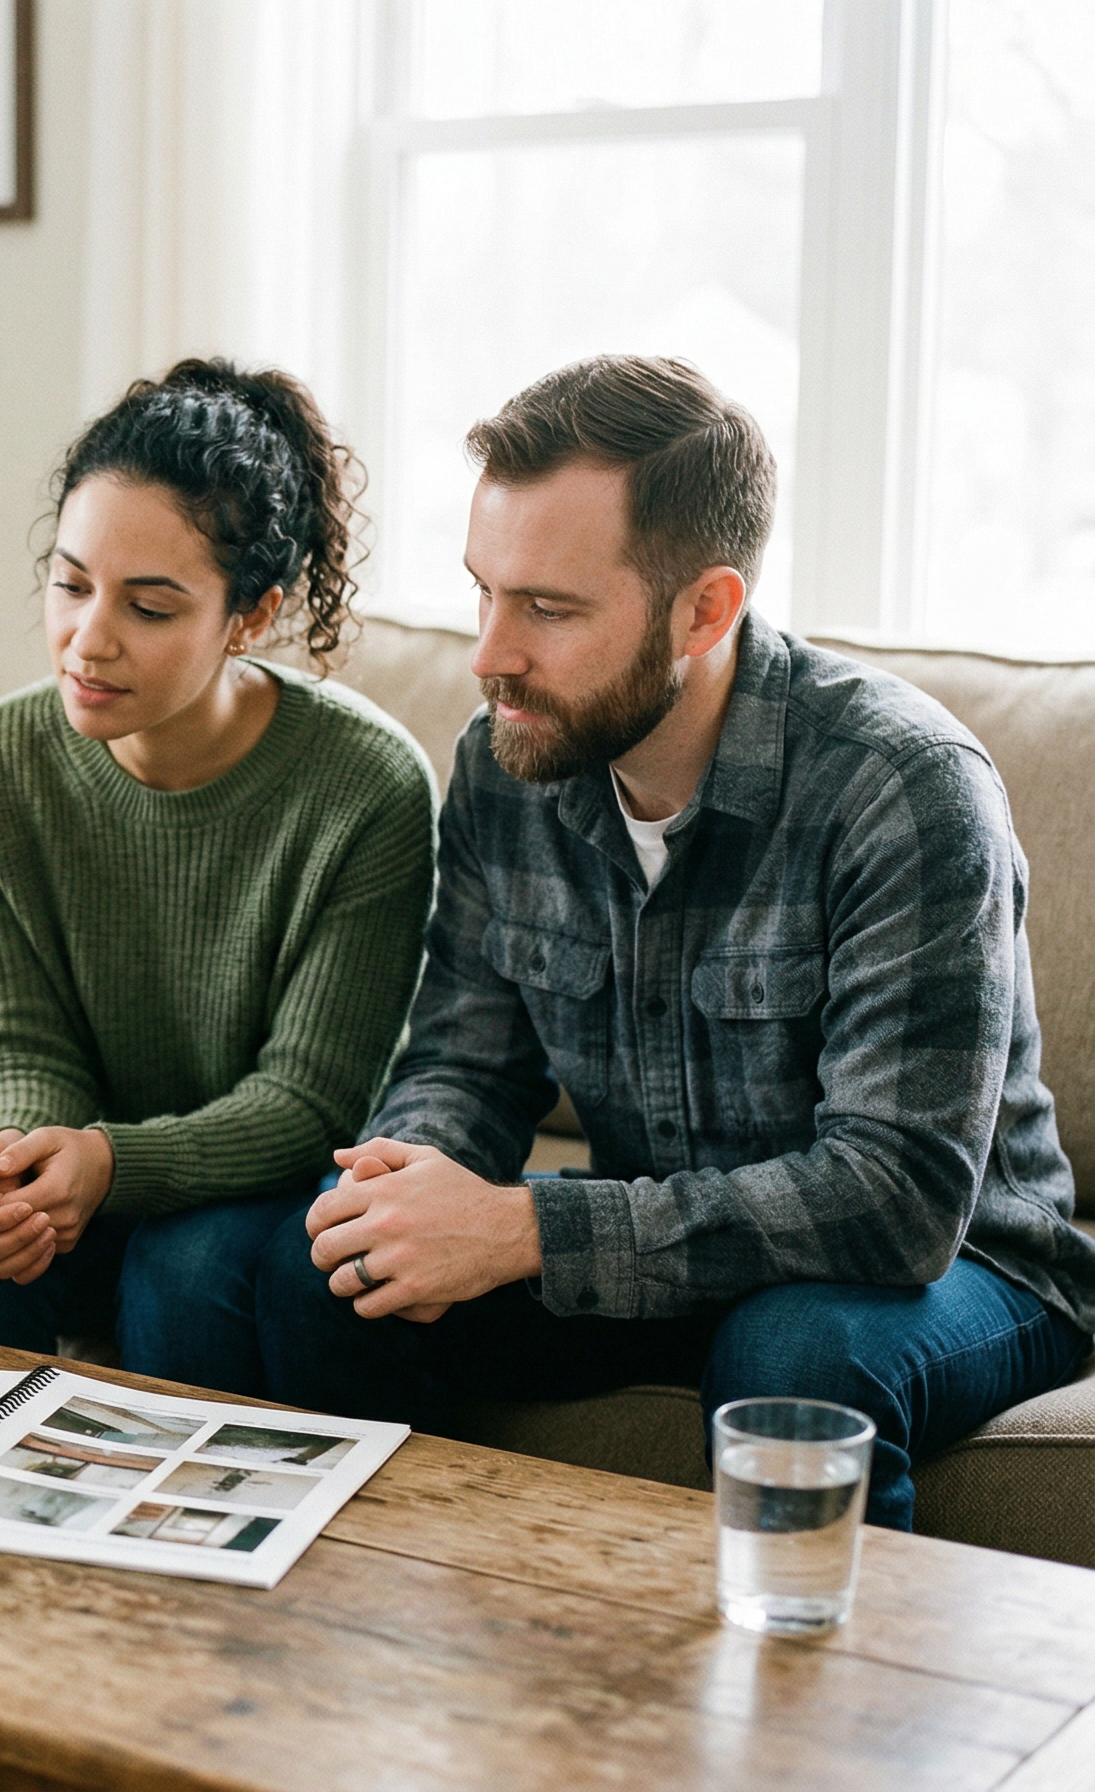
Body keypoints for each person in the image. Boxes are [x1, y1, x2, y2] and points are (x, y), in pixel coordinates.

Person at [134, 355, 1095, 1529]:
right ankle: (395, 1668)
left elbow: (892, 1199)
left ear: (707, 608)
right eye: (484, 592)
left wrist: (528, 1228)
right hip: (667, 1238)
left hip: (963, 1267)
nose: (490, 653)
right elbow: (463, 1062)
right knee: (328, 1274)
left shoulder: (904, 789)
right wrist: (407, 1190)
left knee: (794, 1355)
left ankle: (818, 1714)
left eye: (547, 609)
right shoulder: (508, 760)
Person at [0, 359, 438, 1376]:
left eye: (148, 608)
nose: (86, 641)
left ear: (248, 616)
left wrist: (112, 1164)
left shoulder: (367, 786)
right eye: (70, 584)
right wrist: (18, 1157)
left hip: (266, 1183)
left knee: (185, 1271)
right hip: (88, 1162)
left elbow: (310, 1101)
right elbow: (15, 1038)